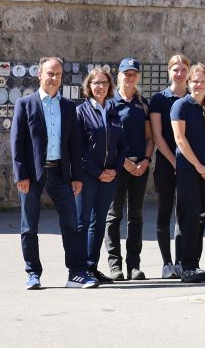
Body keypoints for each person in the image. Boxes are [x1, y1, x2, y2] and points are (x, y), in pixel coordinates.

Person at [12, 56, 96, 289]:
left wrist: (77, 177)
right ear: (40, 74)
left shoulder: (69, 107)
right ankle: (33, 273)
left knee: (72, 223)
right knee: (29, 226)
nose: (54, 78)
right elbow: (17, 143)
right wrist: (21, 175)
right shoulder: (25, 104)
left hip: (61, 173)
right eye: (50, 73)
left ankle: (76, 273)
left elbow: (75, 145)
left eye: (58, 74)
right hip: (32, 173)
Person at [170, 63, 205, 283]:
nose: (199, 85)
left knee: (201, 219)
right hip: (188, 170)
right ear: (189, 82)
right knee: (189, 218)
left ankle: (194, 263)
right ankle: (186, 266)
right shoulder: (181, 106)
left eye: (203, 81)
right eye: (195, 81)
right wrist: (200, 167)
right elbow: (180, 139)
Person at [75, 67, 128, 285]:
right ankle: (78, 269)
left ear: (110, 87)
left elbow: (122, 146)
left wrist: (114, 169)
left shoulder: (114, 111)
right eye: (96, 83)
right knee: (83, 221)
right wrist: (98, 172)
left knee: (98, 224)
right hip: (89, 175)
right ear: (88, 86)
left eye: (104, 83)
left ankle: (92, 267)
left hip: (110, 175)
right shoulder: (81, 111)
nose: (100, 87)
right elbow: (78, 148)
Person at [104, 58, 153, 281]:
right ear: (119, 75)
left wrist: (145, 161)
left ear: (138, 77)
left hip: (140, 167)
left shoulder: (142, 104)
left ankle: (134, 265)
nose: (129, 77)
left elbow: (150, 137)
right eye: (126, 73)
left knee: (136, 217)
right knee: (114, 216)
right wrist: (125, 162)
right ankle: (115, 266)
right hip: (118, 166)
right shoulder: (110, 103)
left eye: (133, 74)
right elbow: (108, 139)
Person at [148, 54, 190, 279]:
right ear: (169, 72)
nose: (180, 73)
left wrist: (187, 162)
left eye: (184, 69)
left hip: (189, 164)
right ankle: (167, 264)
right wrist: (174, 161)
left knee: (183, 214)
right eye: (176, 69)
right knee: (164, 212)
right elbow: (157, 135)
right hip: (166, 163)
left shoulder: (195, 98)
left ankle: (182, 261)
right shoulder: (159, 99)